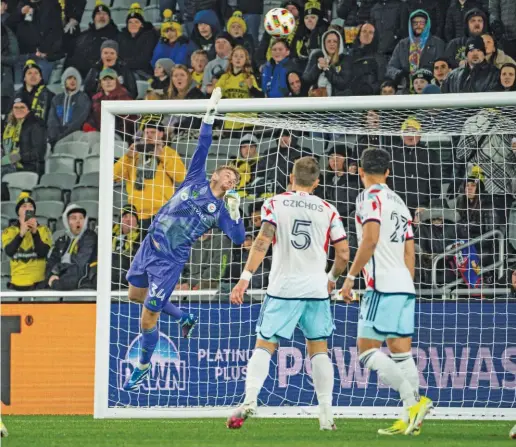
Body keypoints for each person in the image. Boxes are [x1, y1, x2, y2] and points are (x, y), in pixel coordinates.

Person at [122, 88, 246, 391]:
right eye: (227, 173)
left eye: (235, 178)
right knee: (134, 297)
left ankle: (142, 366)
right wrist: (210, 111)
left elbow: (239, 238)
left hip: (169, 262)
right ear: (215, 175)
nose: (230, 178)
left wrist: (237, 211)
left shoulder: (221, 211)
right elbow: (203, 143)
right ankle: (183, 316)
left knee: (147, 320)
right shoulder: (194, 180)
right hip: (149, 244)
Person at [227, 156, 349, 430]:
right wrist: (331, 279)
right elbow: (343, 254)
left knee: (265, 345)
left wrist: (245, 278)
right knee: (319, 350)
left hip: (283, 288)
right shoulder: (329, 209)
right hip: (316, 289)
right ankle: (327, 415)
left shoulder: (274, 203)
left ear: (291, 178)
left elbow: (263, 239)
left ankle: (250, 400)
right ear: (317, 182)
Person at [340, 148, 433, 436]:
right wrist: (406, 283)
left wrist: (351, 277)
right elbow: (410, 251)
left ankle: (413, 402)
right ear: (388, 172)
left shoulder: (370, 197)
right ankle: (411, 420)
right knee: (400, 352)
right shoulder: (400, 202)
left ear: (359, 171)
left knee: (367, 350)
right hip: (404, 284)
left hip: (381, 284)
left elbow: (369, 239)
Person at [113, 117, 187, 228]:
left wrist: (161, 155)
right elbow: (113, 176)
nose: (149, 135)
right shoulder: (134, 154)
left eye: (153, 132)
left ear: (161, 134)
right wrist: (127, 157)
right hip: (136, 215)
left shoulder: (169, 153)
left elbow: (181, 176)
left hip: (161, 214)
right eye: (146, 132)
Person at [1, 193, 52, 290]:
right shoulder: (9, 231)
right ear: (18, 212)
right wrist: (21, 234)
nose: (28, 209)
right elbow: (9, 251)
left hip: (38, 284)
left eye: (31, 206)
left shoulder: (43, 230)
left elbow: (43, 253)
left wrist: (34, 233)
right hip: (16, 284)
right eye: (24, 206)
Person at [386, 10, 445, 94]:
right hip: (406, 90)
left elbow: (443, 68)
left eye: (421, 23)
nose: (418, 26)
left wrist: (426, 76)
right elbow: (390, 68)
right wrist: (400, 74)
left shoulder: (438, 43)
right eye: (415, 23)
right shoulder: (402, 44)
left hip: (430, 90)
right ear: (410, 25)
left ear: (427, 24)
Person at [46, 203, 98, 290]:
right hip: (60, 279)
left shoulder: (90, 237)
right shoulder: (62, 240)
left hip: (78, 282)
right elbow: (51, 261)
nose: (78, 221)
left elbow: (79, 266)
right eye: (74, 218)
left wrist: (57, 271)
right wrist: (51, 276)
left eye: (81, 218)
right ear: (67, 221)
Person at [10, 0, 63, 83]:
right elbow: (7, 26)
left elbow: (56, 32)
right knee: (19, 91)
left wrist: (45, 51)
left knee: (38, 90)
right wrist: (20, 12)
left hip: (41, 57)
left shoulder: (51, 5)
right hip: (21, 56)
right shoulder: (21, 4)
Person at [64, 1, 119, 78]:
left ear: (109, 18)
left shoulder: (116, 36)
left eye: (105, 14)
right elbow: (70, 57)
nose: (101, 16)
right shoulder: (83, 36)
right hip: (78, 78)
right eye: (98, 14)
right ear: (94, 18)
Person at [2, 94, 47, 176]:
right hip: (11, 166)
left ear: (28, 109)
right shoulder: (10, 125)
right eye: (16, 107)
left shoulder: (36, 124)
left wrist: (14, 157)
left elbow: (38, 152)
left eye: (22, 107)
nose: (18, 110)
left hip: (29, 168)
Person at [47, 67, 91, 146]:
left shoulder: (83, 98)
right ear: (64, 81)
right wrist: (54, 136)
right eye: (69, 78)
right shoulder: (56, 99)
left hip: (75, 136)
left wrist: (62, 136)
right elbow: (52, 120)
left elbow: (78, 121)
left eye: (75, 78)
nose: (72, 81)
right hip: (56, 137)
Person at [83, 68, 135, 134]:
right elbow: (92, 118)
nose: (108, 82)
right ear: (100, 83)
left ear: (117, 81)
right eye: (105, 79)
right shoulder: (95, 99)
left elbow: (131, 122)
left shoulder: (125, 97)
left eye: (111, 79)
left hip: (119, 136)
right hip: (98, 133)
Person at [303, 29, 351, 96]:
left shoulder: (345, 59)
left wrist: (326, 70)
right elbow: (306, 79)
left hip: (337, 101)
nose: (332, 44)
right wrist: (318, 67)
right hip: (318, 101)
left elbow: (342, 83)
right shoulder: (317, 55)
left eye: (335, 41)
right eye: (329, 41)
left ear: (339, 44)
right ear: (324, 44)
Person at [118, 3, 159, 80]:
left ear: (142, 25)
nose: (133, 24)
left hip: (144, 73)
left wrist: (125, 63)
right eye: (130, 22)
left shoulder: (149, 36)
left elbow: (144, 59)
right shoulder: (122, 37)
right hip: (125, 71)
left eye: (136, 22)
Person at [348, 22, 385, 96]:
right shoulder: (349, 55)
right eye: (364, 31)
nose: (366, 34)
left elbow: (381, 82)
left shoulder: (379, 58)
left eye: (370, 32)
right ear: (359, 35)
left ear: (374, 37)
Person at [369, 0, 409, 64]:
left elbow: (404, 31)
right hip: (379, 54)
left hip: (396, 54)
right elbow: (372, 32)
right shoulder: (375, 8)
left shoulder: (401, 6)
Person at [112, 204, 141, 288]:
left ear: (137, 220)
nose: (128, 219)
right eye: (125, 216)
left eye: (132, 216)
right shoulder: (110, 235)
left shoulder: (143, 237)